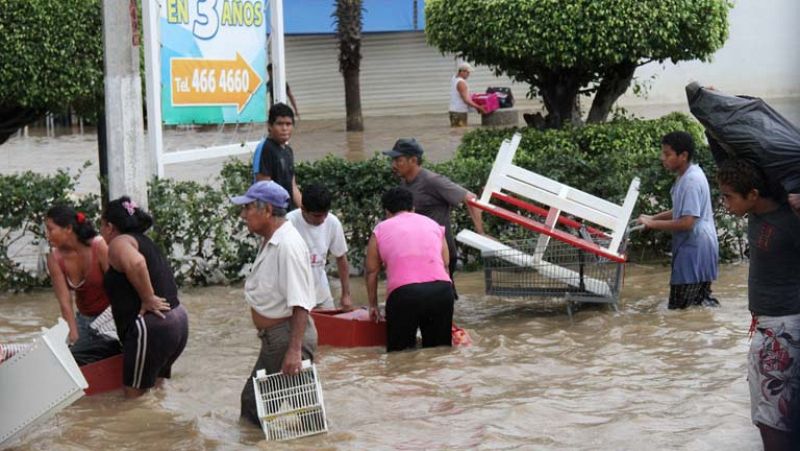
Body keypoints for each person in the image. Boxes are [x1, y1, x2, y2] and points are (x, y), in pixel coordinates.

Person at [717, 159, 800, 450]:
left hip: (784, 326)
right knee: (769, 413)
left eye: (728, 196)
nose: (725, 204)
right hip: (767, 326)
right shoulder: (754, 214)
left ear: (753, 194)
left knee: (773, 417)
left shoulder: (790, 219)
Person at [231, 181, 318, 426]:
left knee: (260, 408)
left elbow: (301, 303)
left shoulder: (287, 245)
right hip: (277, 338)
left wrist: (294, 350)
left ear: (267, 210)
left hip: (286, 338)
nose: (243, 215)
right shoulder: (274, 239)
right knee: (261, 406)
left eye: (248, 208)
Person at [101, 197, 189, 398]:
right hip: (177, 319)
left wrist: (148, 298)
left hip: (154, 325)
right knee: (158, 392)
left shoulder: (119, 243)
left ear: (109, 226)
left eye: (101, 224)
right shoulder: (143, 240)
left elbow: (137, 263)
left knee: (134, 399)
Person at [383, 138, 484, 298]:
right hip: (417, 253)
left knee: (441, 300)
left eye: (398, 160)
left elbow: (471, 199)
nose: (393, 165)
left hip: (440, 254)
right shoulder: (403, 184)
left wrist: (481, 233)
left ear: (413, 160)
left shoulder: (432, 181)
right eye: (393, 160)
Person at [637, 131, 720, 309]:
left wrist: (652, 223)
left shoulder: (691, 181)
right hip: (697, 247)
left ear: (683, 156)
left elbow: (687, 221)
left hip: (696, 249)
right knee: (698, 305)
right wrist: (653, 218)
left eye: (667, 154)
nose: (663, 158)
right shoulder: (687, 175)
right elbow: (681, 210)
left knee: (681, 308)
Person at [366, 187, 455, 352]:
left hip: (404, 294)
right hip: (441, 291)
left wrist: (373, 306)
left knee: (400, 356)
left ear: (387, 211)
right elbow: (445, 264)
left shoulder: (380, 229)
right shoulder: (433, 225)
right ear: (413, 208)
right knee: (439, 353)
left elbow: (372, 272)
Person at [45, 205, 120, 365]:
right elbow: (65, 303)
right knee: (70, 357)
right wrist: (73, 335)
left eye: (51, 229)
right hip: (84, 320)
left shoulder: (98, 246)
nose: (48, 235)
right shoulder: (54, 258)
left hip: (111, 317)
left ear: (68, 229)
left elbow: (118, 289)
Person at [287, 183, 353, 311]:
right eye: (317, 216)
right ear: (303, 209)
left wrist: (346, 294)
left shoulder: (333, 223)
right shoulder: (288, 223)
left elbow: (341, 258)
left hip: (321, 293)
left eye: (325, 214)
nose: (322, 219)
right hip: (293, 297)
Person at [252, 102, 302, 209]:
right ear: (269, 126)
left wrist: (304, 211)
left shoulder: (288, 151)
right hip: (272, 215)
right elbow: (263, 187)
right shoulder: (266, 148)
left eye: (288, 124)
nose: (284, 128)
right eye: (279, 124)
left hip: (288, 213)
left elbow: (293, 187)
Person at [449, 62, 486, 127]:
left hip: (453, 111)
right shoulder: (461, 83)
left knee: (455, 132)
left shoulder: (454, 78)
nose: (469, 74)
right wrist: (479, 107)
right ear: (462, 72)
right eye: (467, 72)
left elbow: (460, 95)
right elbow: (466, 100)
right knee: (460, 133)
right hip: (459, 112)